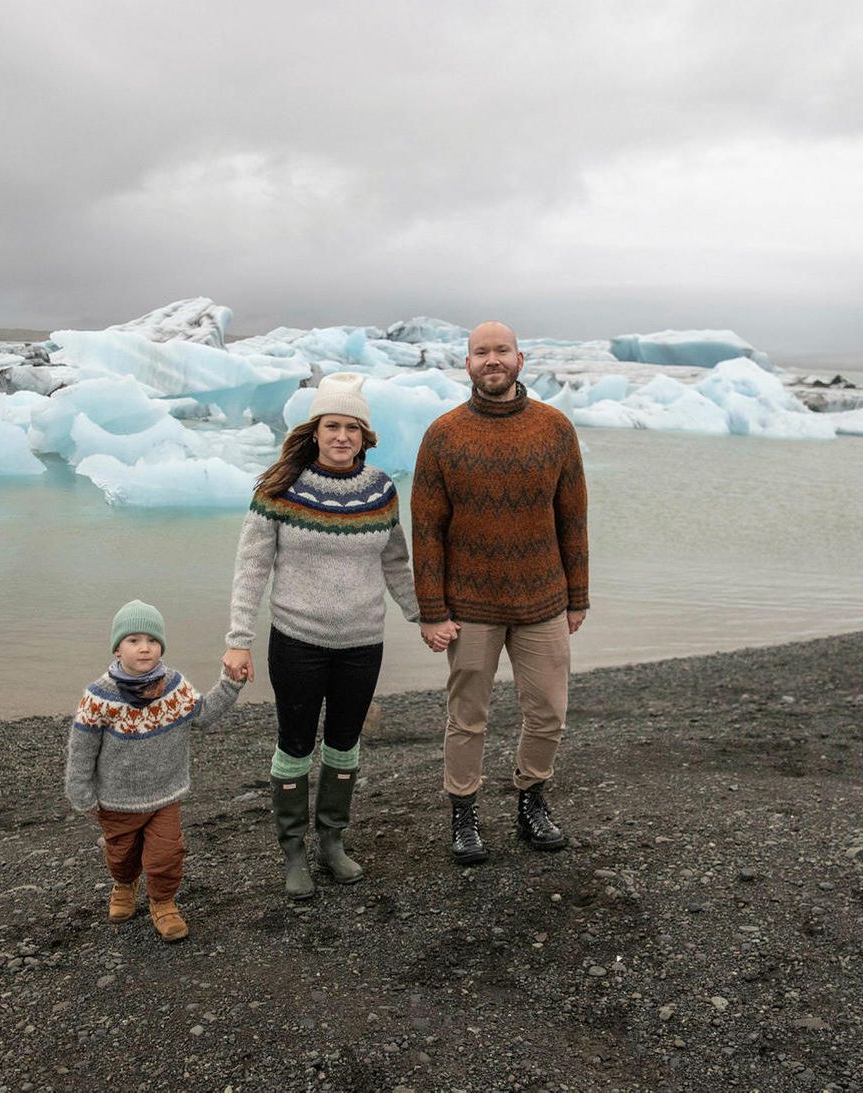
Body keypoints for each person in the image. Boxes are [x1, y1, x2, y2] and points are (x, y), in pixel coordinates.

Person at [224, 373, 421, 901]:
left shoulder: (381, 489)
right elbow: (250, 570)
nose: (341, 436)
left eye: (351, 428)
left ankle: (331, 841)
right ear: (315, 431)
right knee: (294, 744)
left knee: (344, 743)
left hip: (362, 643)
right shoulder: (279, 490)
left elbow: (396, 563)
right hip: (296, 642)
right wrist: (237, 639)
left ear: (365, 436)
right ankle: (293, 850)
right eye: (332, 426)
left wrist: (424, 617)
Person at [410, 320, 588, 864]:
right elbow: (426, 529)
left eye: (501, 350)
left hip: (543, 602)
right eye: (481, 352)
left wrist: (578, 597)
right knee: (467, 715)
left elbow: (573, 518)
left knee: (549, 712)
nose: (492, 359)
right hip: (469, 608)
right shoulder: (443, 434)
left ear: (520, 358)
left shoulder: (555, 429)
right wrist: (431, 611)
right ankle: (463, 812)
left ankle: (531, 798)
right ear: (467, 364)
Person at [64, 599, 245, 942]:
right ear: (117, 647)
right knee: (121, 856)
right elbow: (82, 749)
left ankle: (163, 902)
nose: (144, 648)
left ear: (161, 645)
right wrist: (81, 792)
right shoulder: (99, 697)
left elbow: (204, 715)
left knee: (166, 855)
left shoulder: (174, 687)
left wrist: (231, 684)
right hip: (116, 801)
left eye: (152, 640)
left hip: (165, 794)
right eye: (133, 641)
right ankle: (124, 883)